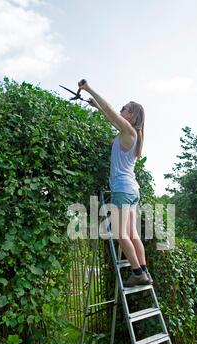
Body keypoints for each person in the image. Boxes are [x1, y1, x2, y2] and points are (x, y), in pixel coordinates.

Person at [78, 79, 152, 287]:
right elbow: (110, 115)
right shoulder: (131, 134)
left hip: (122, 188)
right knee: (131, 233)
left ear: (132, 115)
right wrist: (97, 106)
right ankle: (144, 270)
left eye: (125, 108)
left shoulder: (129, 132)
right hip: (132, 189)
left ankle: (137, 273)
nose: (121, 109)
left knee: (120, 233)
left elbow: (111, 111)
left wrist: (89, 87)